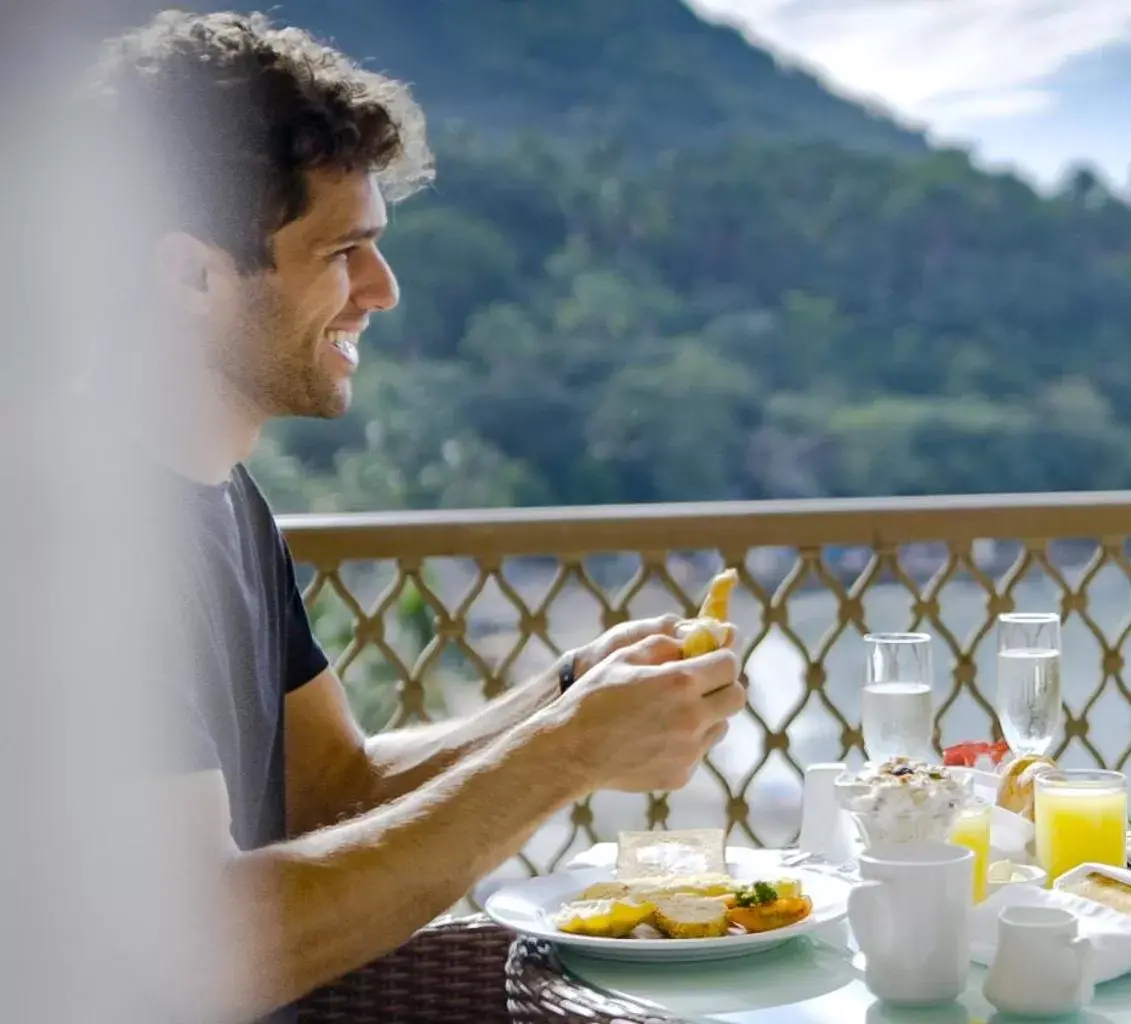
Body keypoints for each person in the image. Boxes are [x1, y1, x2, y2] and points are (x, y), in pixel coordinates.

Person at [83, 12, 747, 1022]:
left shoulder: (218, 493)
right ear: (190, 275)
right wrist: (566, 750)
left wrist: (569, 692)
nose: (383, 291)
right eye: (344, 250)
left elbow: (332, 792)